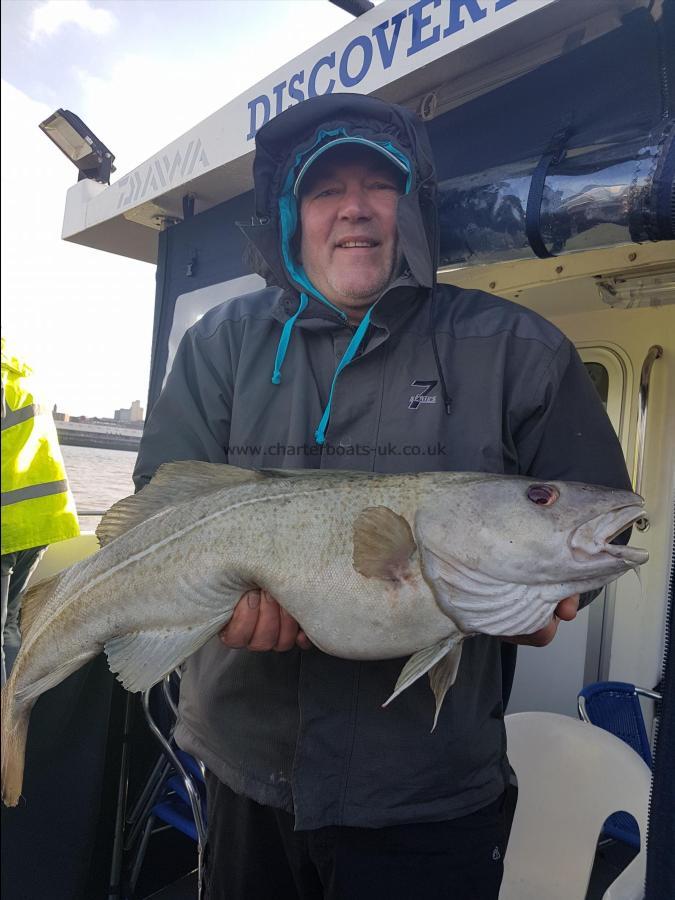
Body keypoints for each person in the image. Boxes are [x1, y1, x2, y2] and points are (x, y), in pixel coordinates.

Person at [134, 93, 632, 900]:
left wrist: (556, 596)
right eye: (325, 190)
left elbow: (590, 519)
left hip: (428, 790)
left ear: (413, 209)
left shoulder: (519, 348)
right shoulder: (221, 343)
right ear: (291, 216)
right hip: (245, 769)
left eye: (380, 185)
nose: (354, 210)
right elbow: (162, 506)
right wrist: (213, 607)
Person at [1, 338, 80, 685]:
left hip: (9, 526)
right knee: (9, 626)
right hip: (44, 519)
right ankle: (12, 726)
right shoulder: (22, 375)